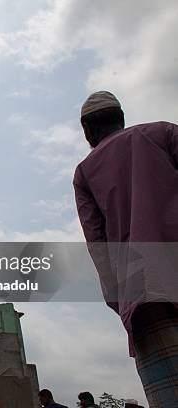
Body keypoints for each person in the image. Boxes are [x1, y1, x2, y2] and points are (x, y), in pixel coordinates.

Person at [73, 91, 178, 407]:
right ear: (120, 118)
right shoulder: (163, 132)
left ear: (88, 131)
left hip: (144, 292)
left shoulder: (84, 172)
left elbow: (98, 245)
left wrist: (120, 301)